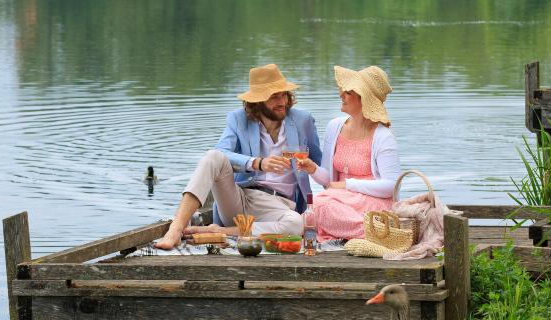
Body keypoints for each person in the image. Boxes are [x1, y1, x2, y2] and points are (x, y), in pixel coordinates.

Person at [155, 64, 322, 249]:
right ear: (258, 101)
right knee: (213, 156)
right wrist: (257, 163)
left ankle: (220, 231)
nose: (281, 101)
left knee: (297, 224)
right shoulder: (238, 119)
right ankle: (176, 229)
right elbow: (222, 152)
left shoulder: (303, 121)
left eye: (283, 94)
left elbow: (319, 166)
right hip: (240, 198)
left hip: (279, 205)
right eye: (274, 96)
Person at [297, 65, 400, 241]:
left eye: (348, 92)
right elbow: (329, 180)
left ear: (364, 100)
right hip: (342, 200)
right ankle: (376, 233)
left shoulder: (383, 136)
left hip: (373, 201)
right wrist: (312, 168)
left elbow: (391, 186)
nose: (341, 95)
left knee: (319, 207)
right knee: (316, 207)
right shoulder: (335, 126)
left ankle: (379, 233)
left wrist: (347, 185)